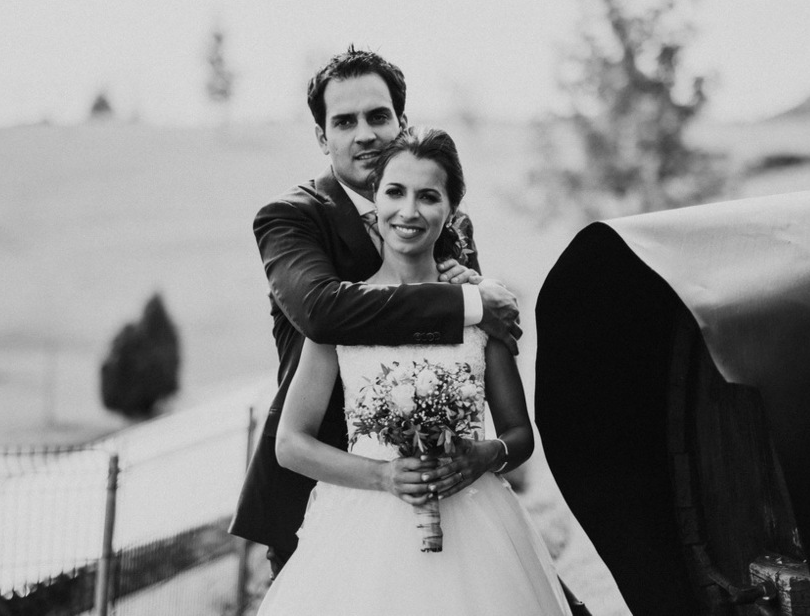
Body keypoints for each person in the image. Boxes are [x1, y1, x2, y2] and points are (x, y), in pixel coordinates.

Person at [228, 48, 524, 570]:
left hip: (453, 496)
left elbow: (477, 351)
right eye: (345, 121)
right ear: (322, 137)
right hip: (327, 499)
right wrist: (470, 300)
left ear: (401, 121)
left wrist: (483, 451)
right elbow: (322, 312)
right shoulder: (291, 218)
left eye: (378, 116)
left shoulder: (449, 223)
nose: (365, 134)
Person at [256, 126, 572, 615]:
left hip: (476, 527)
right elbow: (290, 444)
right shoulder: (341, 317)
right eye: (395, 192)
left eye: (428, 196)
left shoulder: (482, 312)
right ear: (374, 202)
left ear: (450, 211)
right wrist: (384, 476)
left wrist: (485, 454)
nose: (409, 211)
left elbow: (520, 435)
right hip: (361, 532)